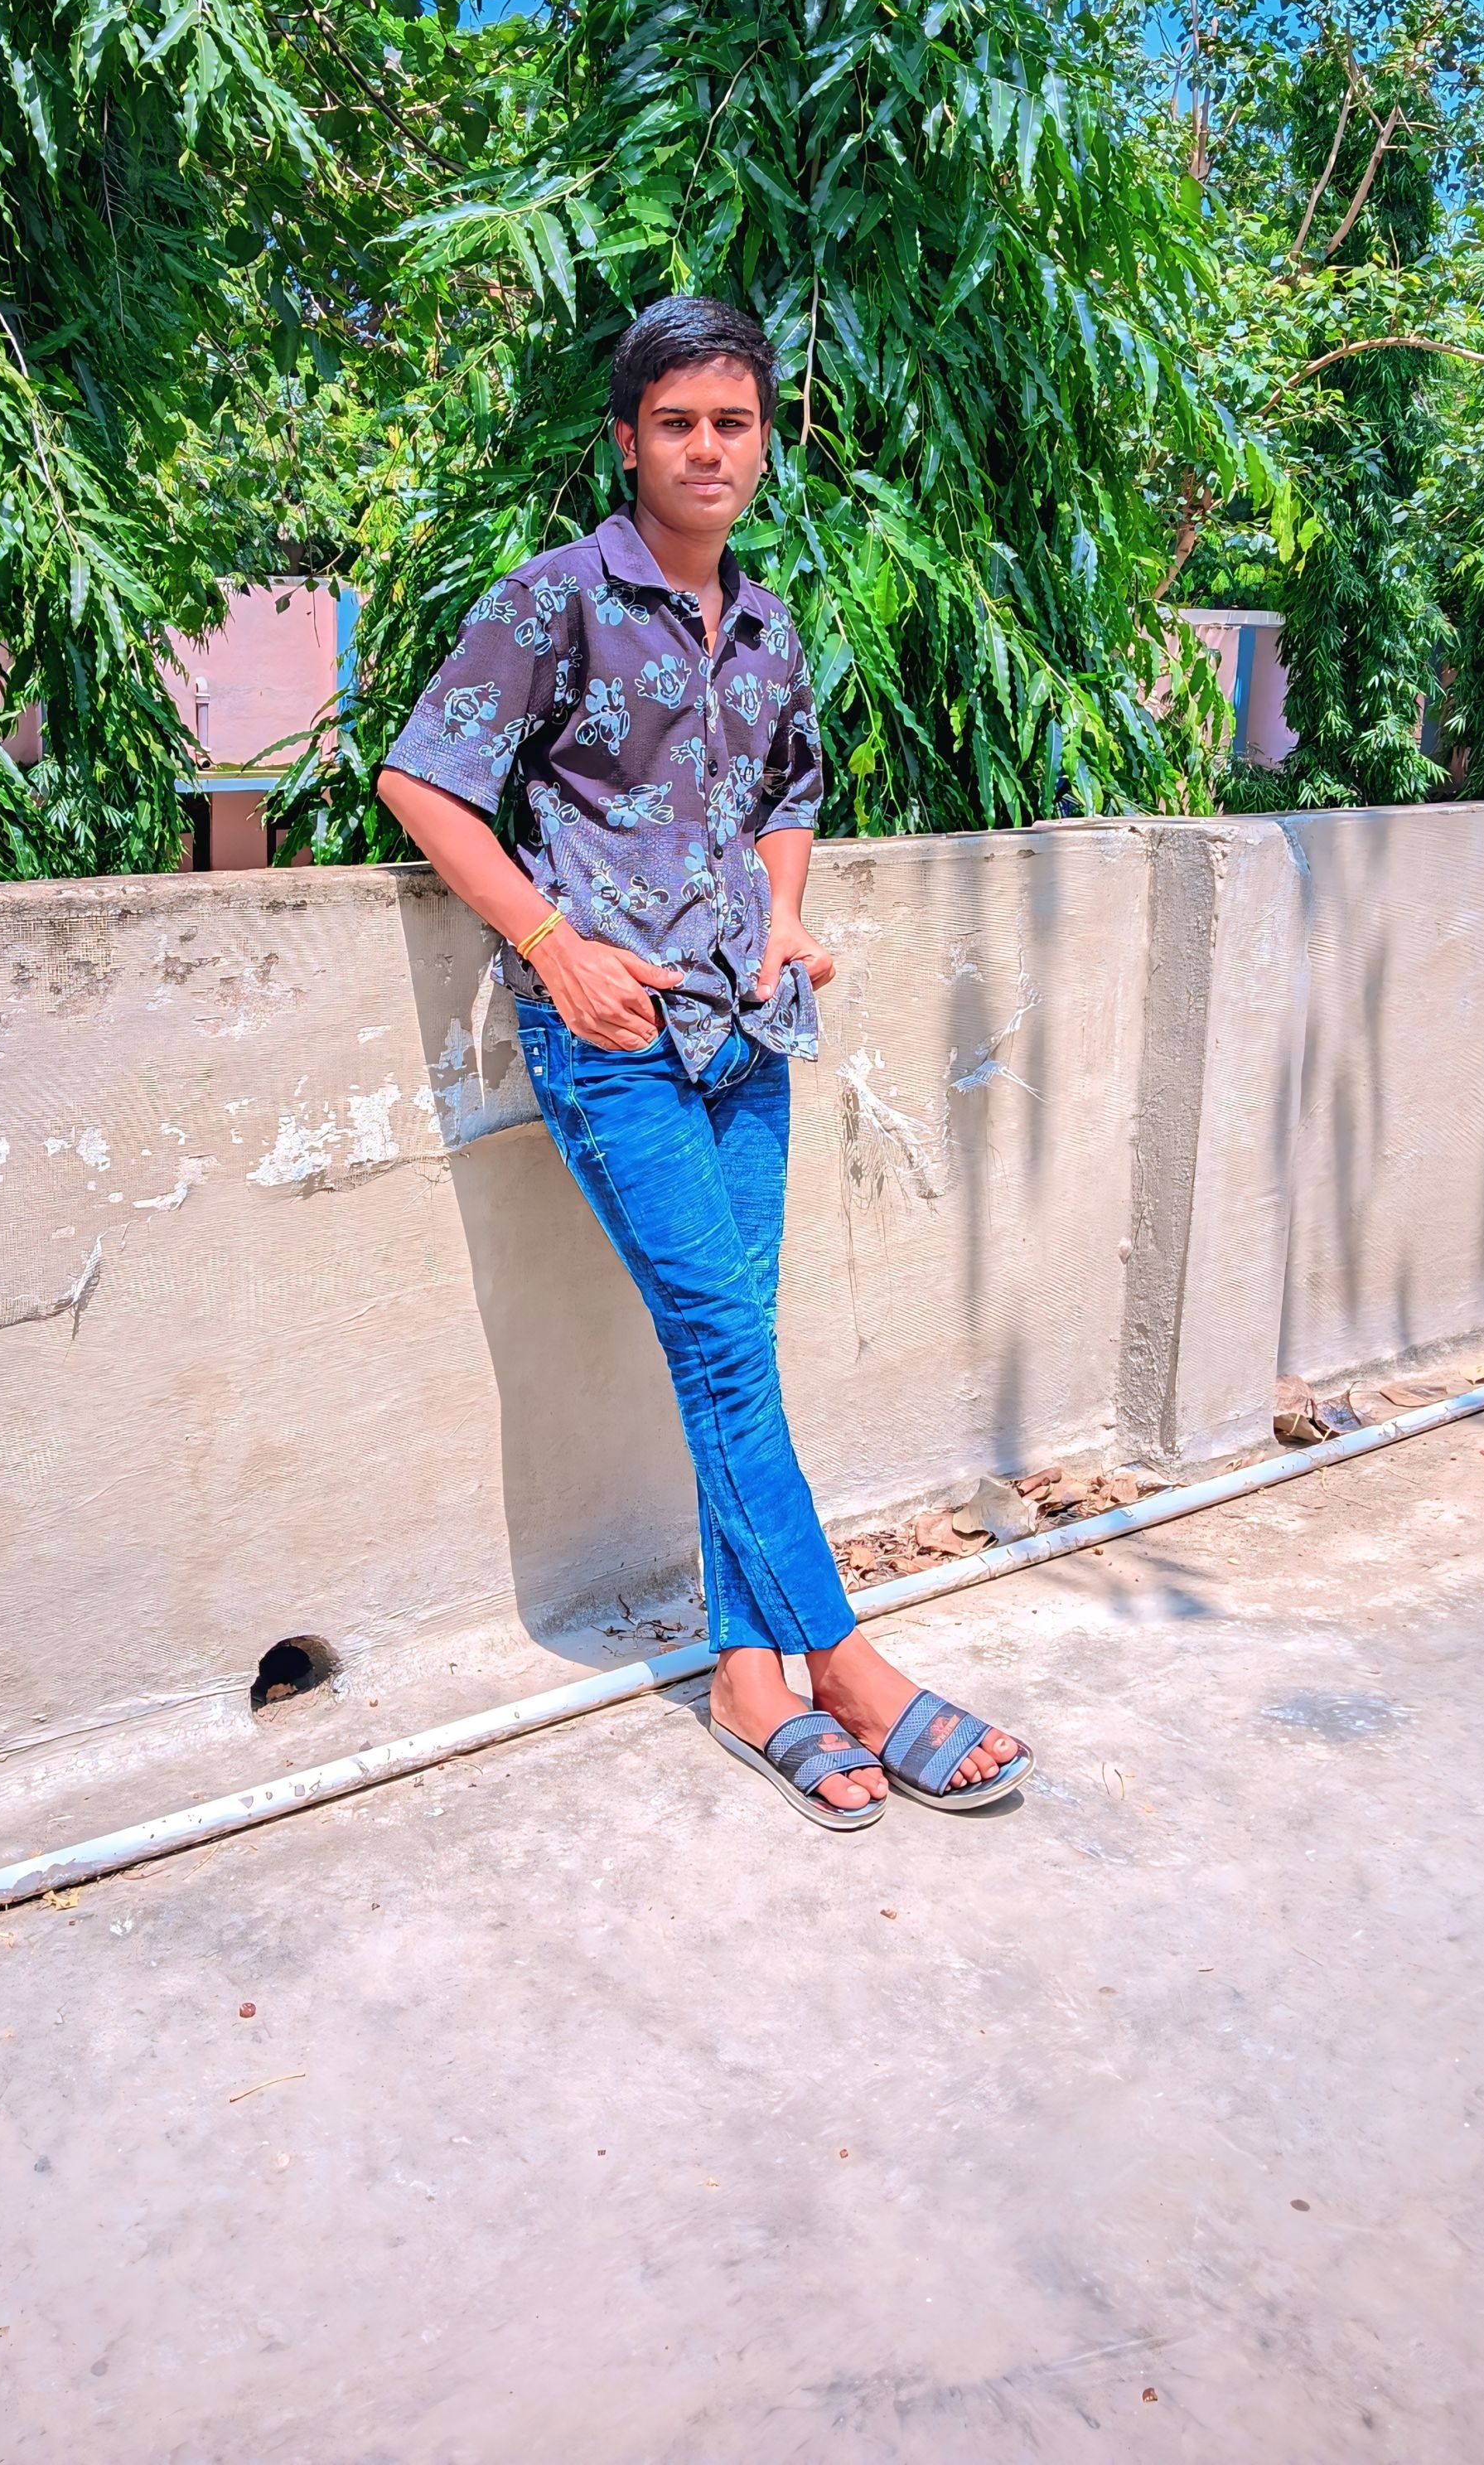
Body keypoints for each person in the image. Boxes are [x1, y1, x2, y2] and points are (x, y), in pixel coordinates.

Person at [376, 295, 1031, 1830]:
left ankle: (747, 1680)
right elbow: (424, 779)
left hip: (751, 1030)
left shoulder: (772, 624)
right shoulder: (553, 602)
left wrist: (786, 913)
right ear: (628, 441)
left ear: (763, 440)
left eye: (733, 422)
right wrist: (554, 947)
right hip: (613, 1042)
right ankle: (849, 1665)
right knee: (727, 1349)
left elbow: (789, 790)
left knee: (735, 1343)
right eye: (675, 423)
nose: (706, 449)